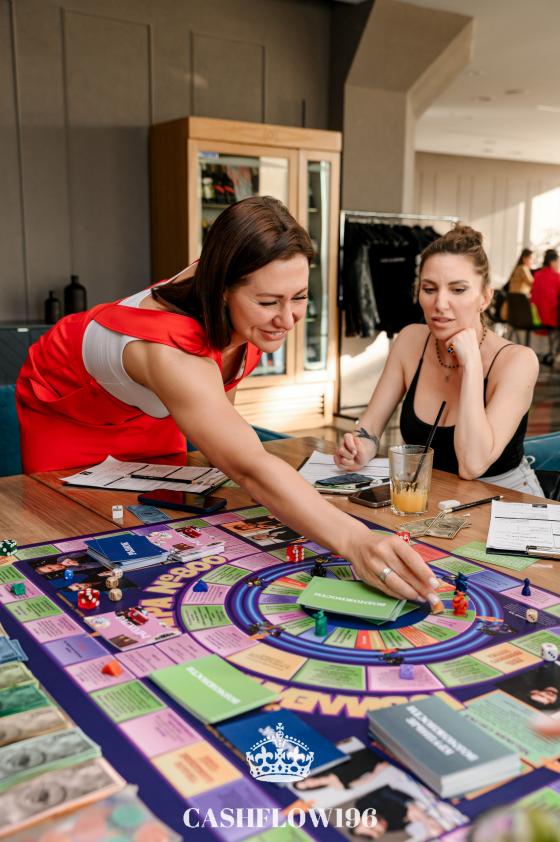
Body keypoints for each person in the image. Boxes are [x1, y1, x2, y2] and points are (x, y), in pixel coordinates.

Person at [16, 197, 438, 604]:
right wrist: (357, 541)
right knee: (72, 540)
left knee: (160, 533)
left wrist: (247, 465)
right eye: (268, 302)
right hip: (70, 411)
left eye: (299, 296)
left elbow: (227, 424)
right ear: (221, 290)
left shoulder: (239, 284)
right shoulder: (170, 354)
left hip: (156, 404)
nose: (287, 319)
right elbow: (249, 466)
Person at [335, 225, 543, 495]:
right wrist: (361, 447)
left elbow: (472, 465)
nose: (440, 303)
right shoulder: (410, 340)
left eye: (458, 290)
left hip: (507, 503)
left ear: (484, 298)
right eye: (429, 289)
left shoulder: (518, 362)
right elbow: (370, 426)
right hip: (434, 499)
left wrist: (471, 365)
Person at [531, 248, 560, 327]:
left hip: (536, 320)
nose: (558, 265)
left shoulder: (537, 275)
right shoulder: (556, 277)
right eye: (558, 262)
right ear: (552, 262)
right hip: (550, 319)